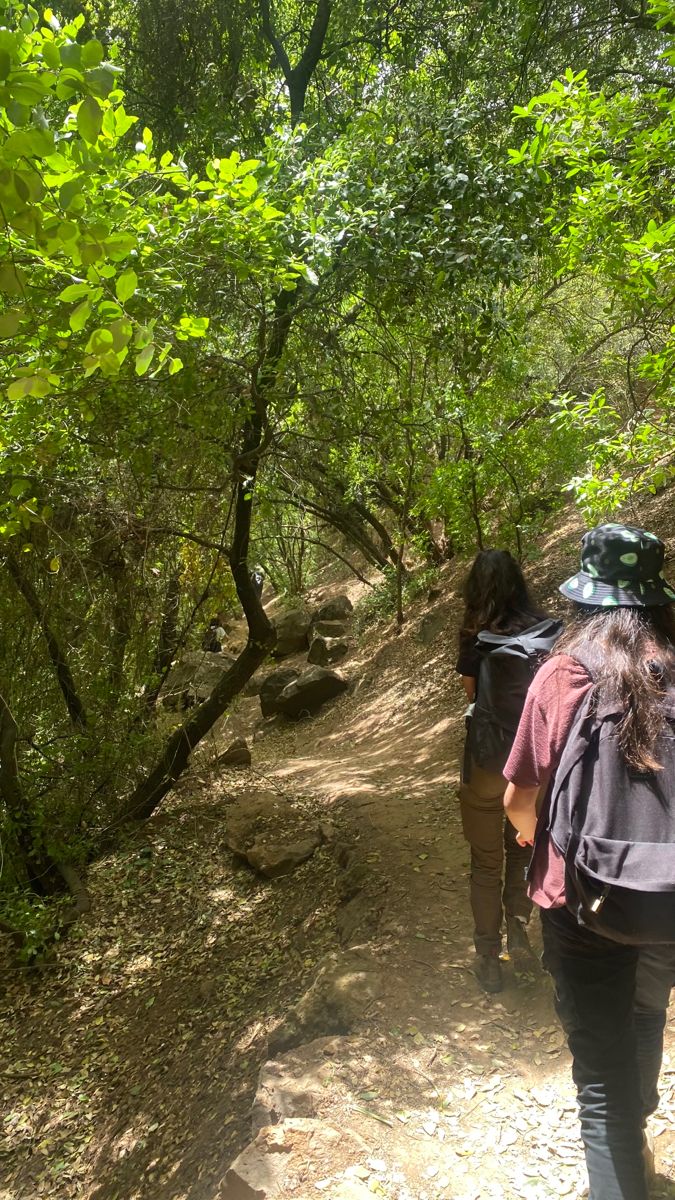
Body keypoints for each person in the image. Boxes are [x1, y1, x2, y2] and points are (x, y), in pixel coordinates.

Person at [503, 523, 675, 1200]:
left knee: (597, 1075)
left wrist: (536, 838)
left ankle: (620, 1166)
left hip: (584, 899)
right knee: (644, 1010)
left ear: (585, 596)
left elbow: (519, 800)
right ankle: (637, 1135)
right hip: (669, 892)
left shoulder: (563, 673)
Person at [456, 549, 561, 994]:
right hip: (534, 762)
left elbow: (469, 690)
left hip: (487, 759)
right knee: (523, 848)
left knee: (485, 863)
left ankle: (488, 959)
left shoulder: (474, 633)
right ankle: (519, 931)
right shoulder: (548, 630)